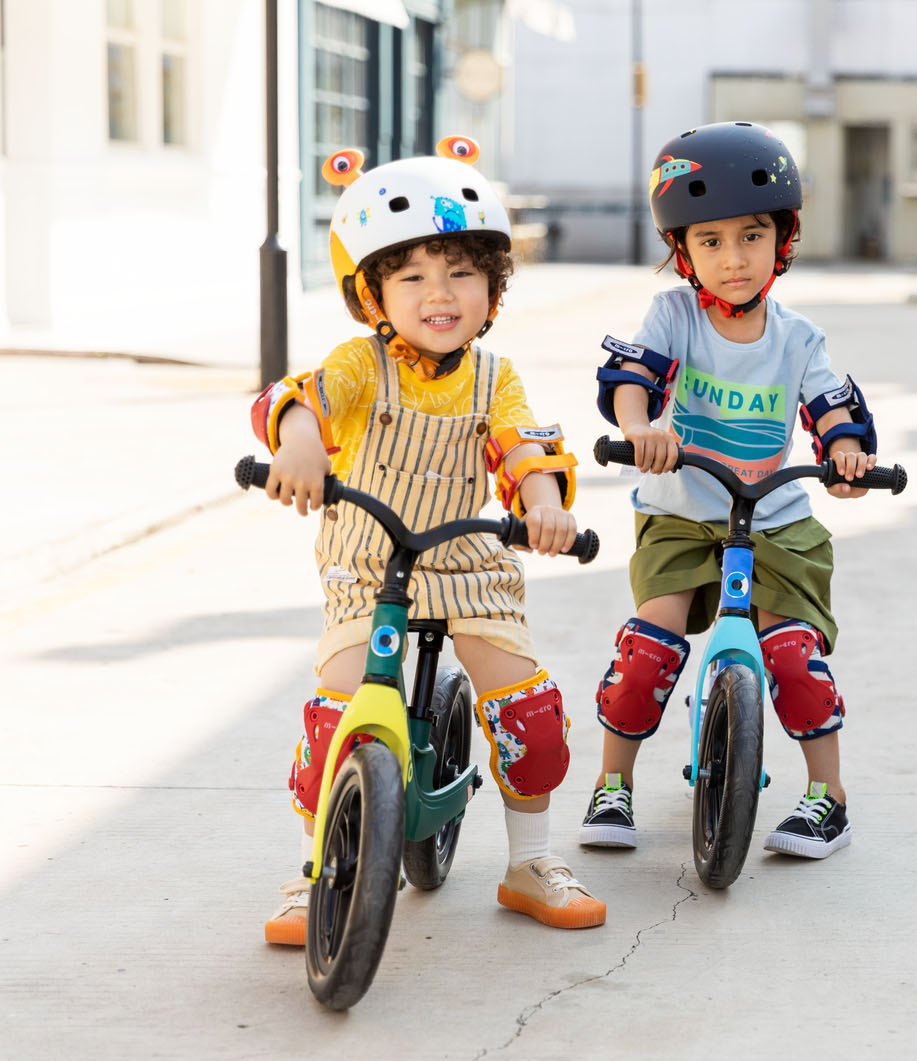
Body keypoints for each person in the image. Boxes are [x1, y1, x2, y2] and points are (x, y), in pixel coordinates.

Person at [251, 137, 605, 944]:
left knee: (530, 707)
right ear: (373, 293)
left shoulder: (495, 376)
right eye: (411, 275)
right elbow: (301, 396)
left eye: (461, 272)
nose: (438, 293)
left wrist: (544, 503)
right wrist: (300, 442)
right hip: (366, 565)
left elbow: (525, 448)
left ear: (493, 285)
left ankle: (530, 861)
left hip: (467, 562)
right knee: (334, 711)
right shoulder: (362, 365)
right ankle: (315, 870)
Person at [577, 121, 878, 860]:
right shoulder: (674, 316)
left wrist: (843, 451)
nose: (733, 258)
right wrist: (641, 425)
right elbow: (634, 379)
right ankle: (612, 782)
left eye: (751, 236)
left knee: (792, 655)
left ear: (784, 237)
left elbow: (830, 407)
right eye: (709, 242)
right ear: (682, 252)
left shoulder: (799, 338)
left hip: (775, 517)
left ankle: (826, 800)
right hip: (682, 514)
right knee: (647, 651)